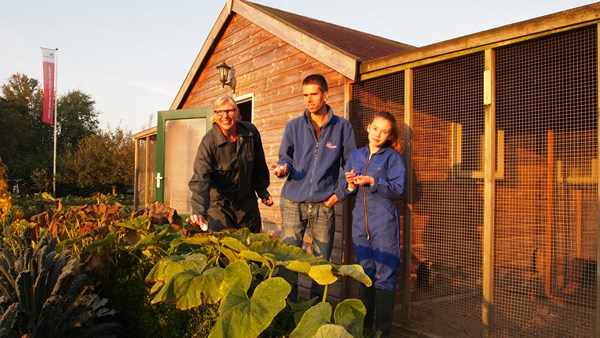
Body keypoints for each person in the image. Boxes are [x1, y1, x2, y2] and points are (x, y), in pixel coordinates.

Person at [273, 74, 356, 300]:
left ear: (325, 95)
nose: (309, 100)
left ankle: (313, 313)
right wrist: (283, 168)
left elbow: (351, 166)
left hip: (323, 205)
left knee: (321, 265)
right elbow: (285, 159)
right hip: (293, 201)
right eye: (305, 95)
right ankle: (287, 312)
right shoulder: (294, 126)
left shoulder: (342, 127)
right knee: (288, 259)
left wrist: (339, 195)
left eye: (314, 94)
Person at [338, 111, 405, 337]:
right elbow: (347, 187)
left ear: (389, 136)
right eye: (375, 128)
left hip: (384, 225)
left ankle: (382, 331)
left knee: (385, 277)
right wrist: (349, 185)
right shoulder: (356, 156)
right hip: (360, 225)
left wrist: (373, 181)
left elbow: (398, 189)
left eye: (384, 131)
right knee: (365, 275)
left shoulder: (392, 158)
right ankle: (365, 329)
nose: (378, 134)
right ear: (368, 127)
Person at [187, 94, 273, 233]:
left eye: (229, 111)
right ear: (215, 116)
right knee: (225, 250)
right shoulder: (209, 142)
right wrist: (198, 211)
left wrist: (262, 191)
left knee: (251, 249)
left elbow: (259, 165)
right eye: (220, 112)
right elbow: (200, 178)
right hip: (220, 207)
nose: (225, 116)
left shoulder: (250, 133)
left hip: (247, 205)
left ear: (237, 112)